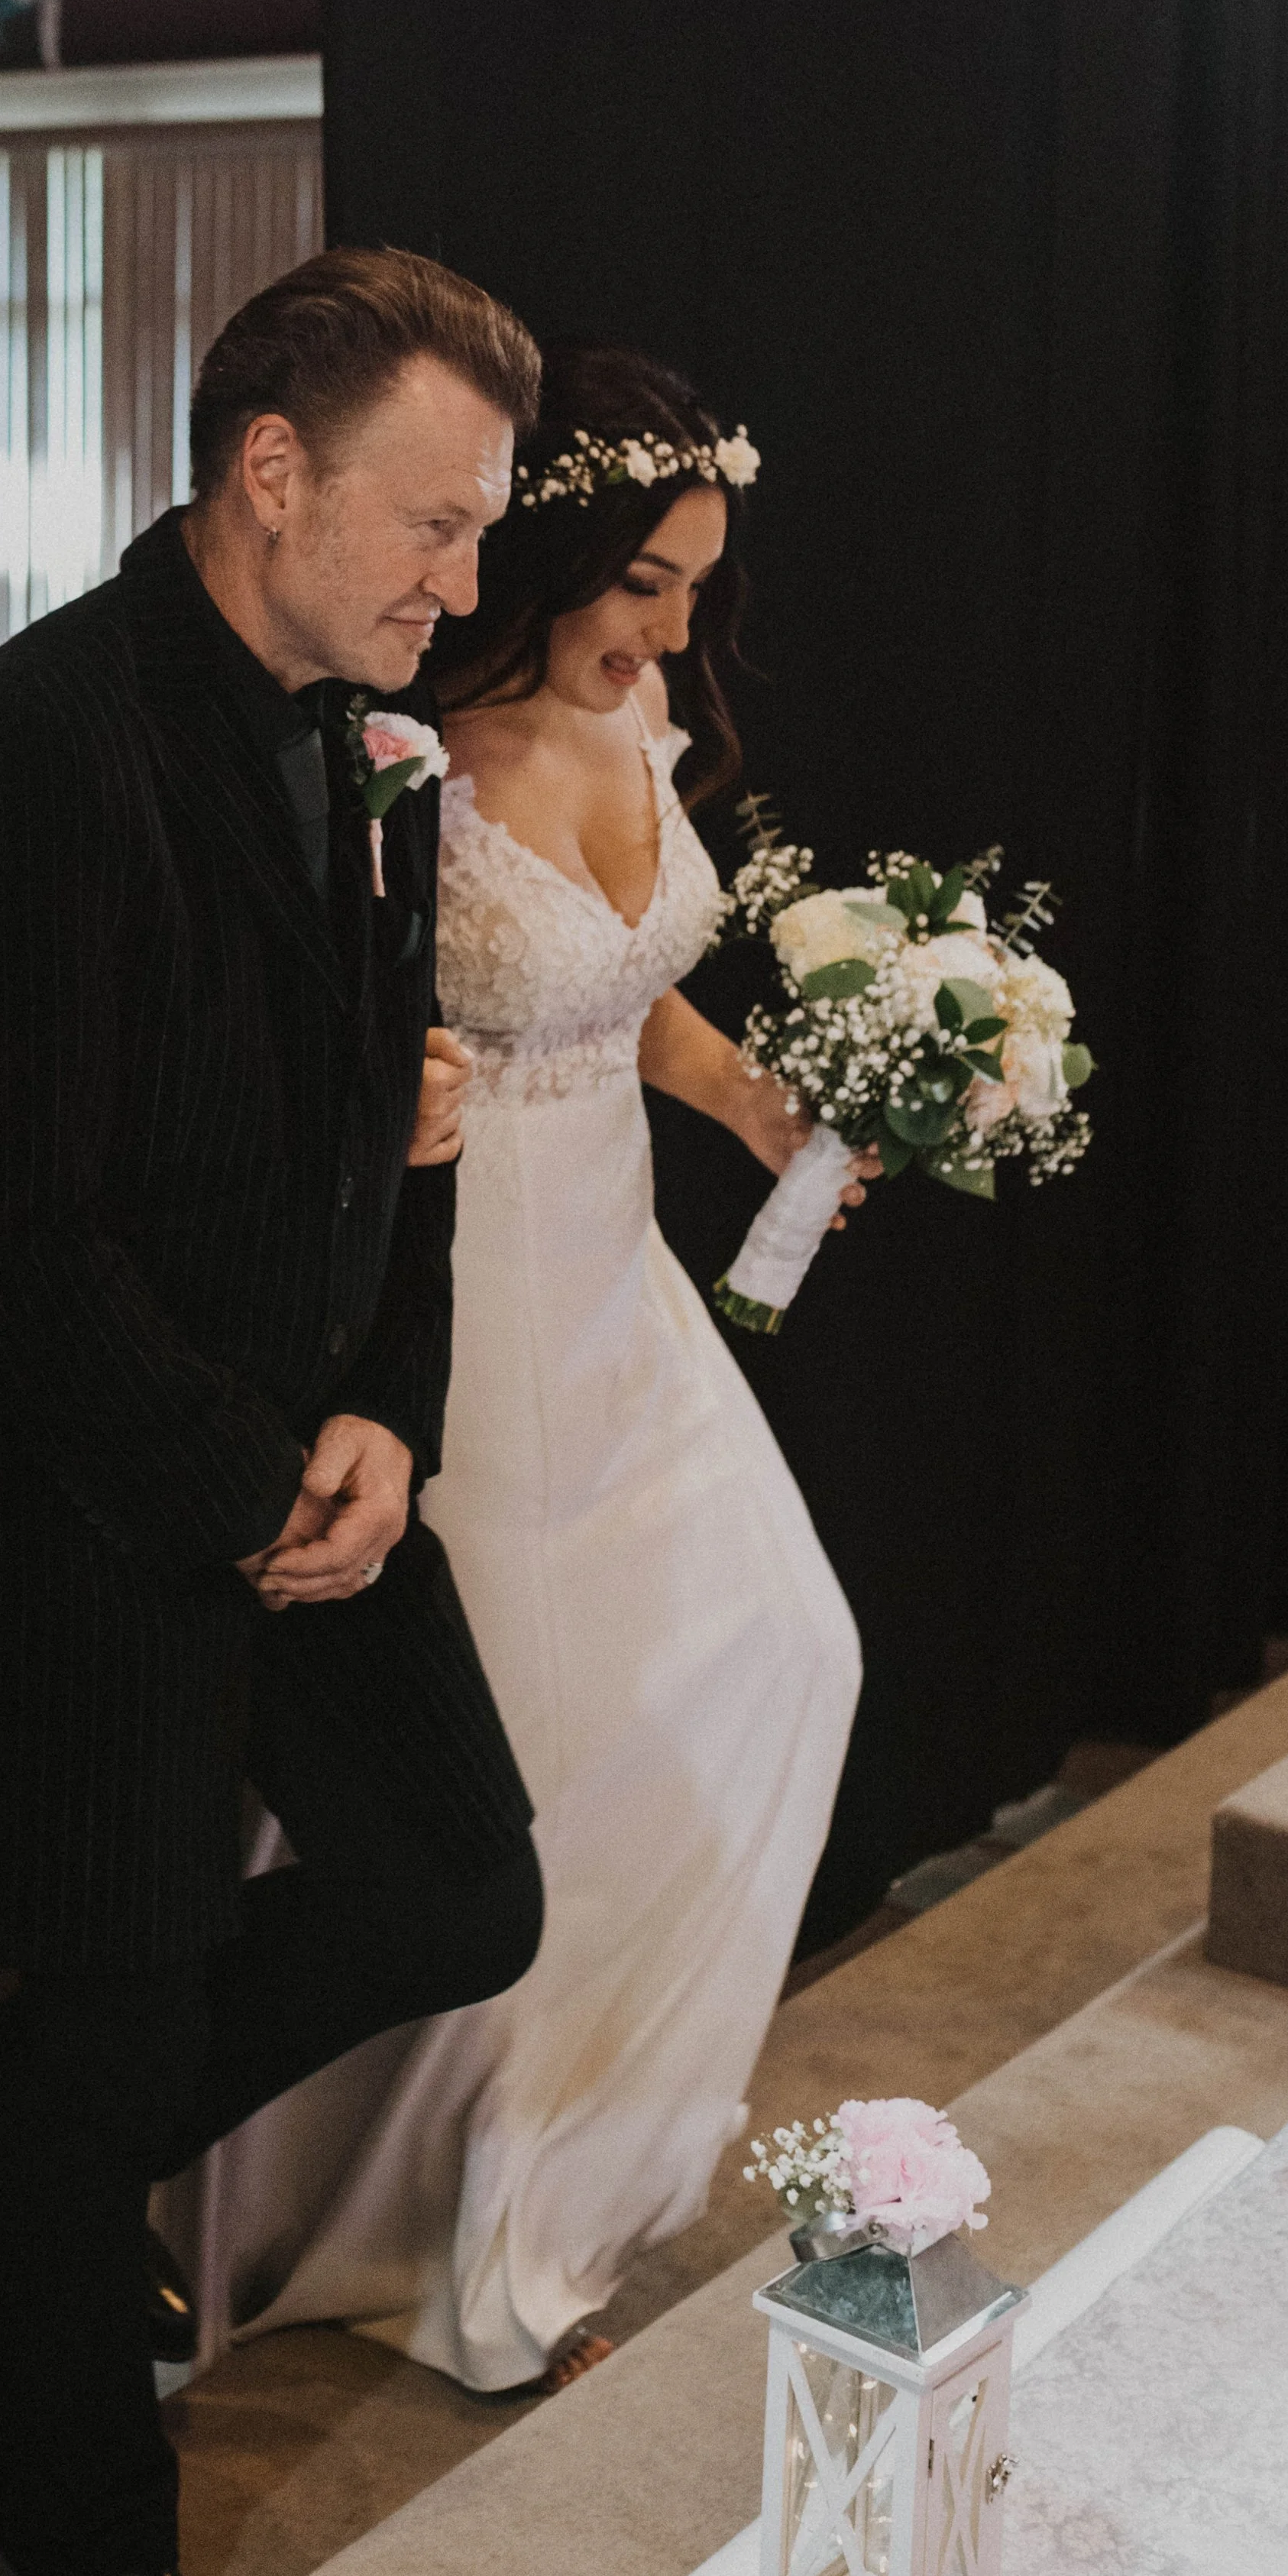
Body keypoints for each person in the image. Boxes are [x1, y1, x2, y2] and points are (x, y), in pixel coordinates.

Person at [0, 247, 545, 2576]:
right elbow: (6, 1242)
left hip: (313, 1466)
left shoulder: (366, 735)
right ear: (272, 471)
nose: (464, 590)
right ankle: (89, 2537)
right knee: (118, 2003)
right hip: (94, 1518)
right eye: (435, 528)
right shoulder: (37, 745)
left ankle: (36, 2101)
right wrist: (256, 1477)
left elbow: (405, 1133)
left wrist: (390, 1416)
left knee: (461, 1888)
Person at [174, 345, 867, 2395]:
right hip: (456, 1306)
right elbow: (302, 1031)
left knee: (779, 1659)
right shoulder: (398, 754)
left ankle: (554, 2189)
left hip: (621, 1291)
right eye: (641, 581)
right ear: (546, 549)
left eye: (693, 591)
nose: (669, 630)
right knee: (517, 1785)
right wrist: (379, 1087)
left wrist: (750, 1102)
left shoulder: (637, 711)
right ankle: (454, 2237)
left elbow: (626, 989)